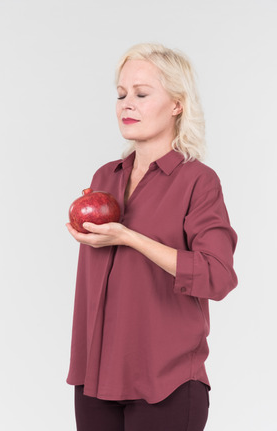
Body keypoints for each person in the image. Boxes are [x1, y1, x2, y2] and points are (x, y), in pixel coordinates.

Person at [66, 42, 238, 431]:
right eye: (121, 94)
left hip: (168, 382)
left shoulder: (198, 181)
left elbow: (218, 276)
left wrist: (130, 237)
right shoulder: (105, 179)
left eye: (142, 94)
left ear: (177, 104)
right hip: (95, 377)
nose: (127, 104)